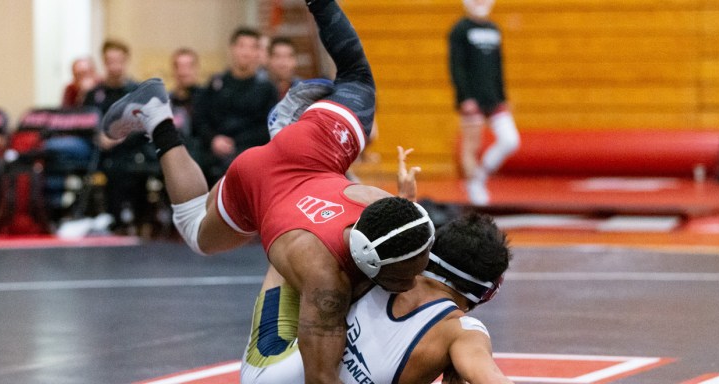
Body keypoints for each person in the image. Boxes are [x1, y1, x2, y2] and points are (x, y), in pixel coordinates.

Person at [100, 1, 434, 382]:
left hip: (310, 148)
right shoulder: (324, 284)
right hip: (262, 184)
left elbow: (405, 223)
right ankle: (159, 119)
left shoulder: (380, 205)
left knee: (358, 79)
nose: (410, 281)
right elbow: (320, 378)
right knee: (195, 227)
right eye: (404, 275)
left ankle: (287, 118)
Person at [240, 212, 514, 384]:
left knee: (300, 248)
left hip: (266, 375)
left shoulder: (385, 271)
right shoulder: (462, 332)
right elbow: (489, 378)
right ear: (487, 290)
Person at [449, 0, 520, 206]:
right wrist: (464, 97)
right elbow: (456, 65)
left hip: (493, 97)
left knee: (510, 140)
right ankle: (474, 187)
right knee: (473, 145)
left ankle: (480, 175)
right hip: (472, 97)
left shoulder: (493, 29)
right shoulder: (460, 29)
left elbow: (498, 65)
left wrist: (503, 97)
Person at [192, 27, 279, 185]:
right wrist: (213, 139)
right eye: (241, 46)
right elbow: (200, 119)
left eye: (252, 47)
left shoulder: (267, 89)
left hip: (250, 156)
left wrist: (238, 145)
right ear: (232, 49)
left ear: (258, 52)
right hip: (213, 155)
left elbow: (269, 126)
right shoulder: (215, 84)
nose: (245, 52)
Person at [83, 39, 152, 234]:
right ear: (104, 62)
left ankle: (136, 219)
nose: (115, 66)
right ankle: (104, 218)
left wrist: (120, 137)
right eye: (110, 61)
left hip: (132, 148)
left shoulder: (138, 92)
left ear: (126, 61)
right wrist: (99, 137)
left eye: (119, 61)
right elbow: (86, 123)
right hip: (102, 150)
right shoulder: (94, 94)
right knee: (107, 166)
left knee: (131, 167)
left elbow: (144, 124)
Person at [169, 47, 203, 115]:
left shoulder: (207, 101)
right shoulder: (166, 104)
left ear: (196, 69)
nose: (183, 72)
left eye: (188, 66)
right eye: (178, 66)